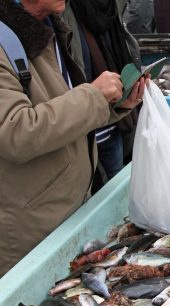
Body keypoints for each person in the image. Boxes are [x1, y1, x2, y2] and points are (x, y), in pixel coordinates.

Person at [0, 0, 147, 277]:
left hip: (67, 215)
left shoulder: (50, 28)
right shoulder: (10, 38)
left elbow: (58, 113)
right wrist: (93, 95)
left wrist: (113, 105)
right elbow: (15, 132)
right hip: (30, 233)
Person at [63, 0, 141, 193]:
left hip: (113, 118)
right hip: (84, 129)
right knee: (103, 198)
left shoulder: (110, 8)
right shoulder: (62, 13)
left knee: (118, 194)